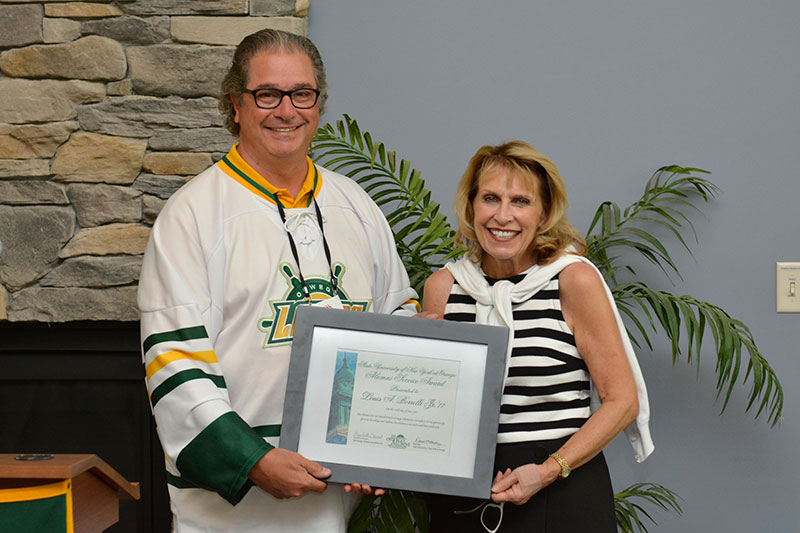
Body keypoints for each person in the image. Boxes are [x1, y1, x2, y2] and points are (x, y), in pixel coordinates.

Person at [137, 29, 418, 532]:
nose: (286, 110)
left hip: (336, 504)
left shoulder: (357, 207)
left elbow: (396, 327)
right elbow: (174, 363)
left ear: (319, 102)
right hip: (227, 517)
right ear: (236, 105)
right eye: (267, 94)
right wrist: (256, 461)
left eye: (302, 94)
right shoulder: (192, 216)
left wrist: (376, 444)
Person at [422, 141, 653, 532]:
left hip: (563, 487)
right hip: (463, 493)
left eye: (520, 201)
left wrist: (548, 470)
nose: (503, 215)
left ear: (544, 212)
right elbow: (429, 407)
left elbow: (623, 402)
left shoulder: (572, 280)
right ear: (470, 206)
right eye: (490, 198)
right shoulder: (443, 288)